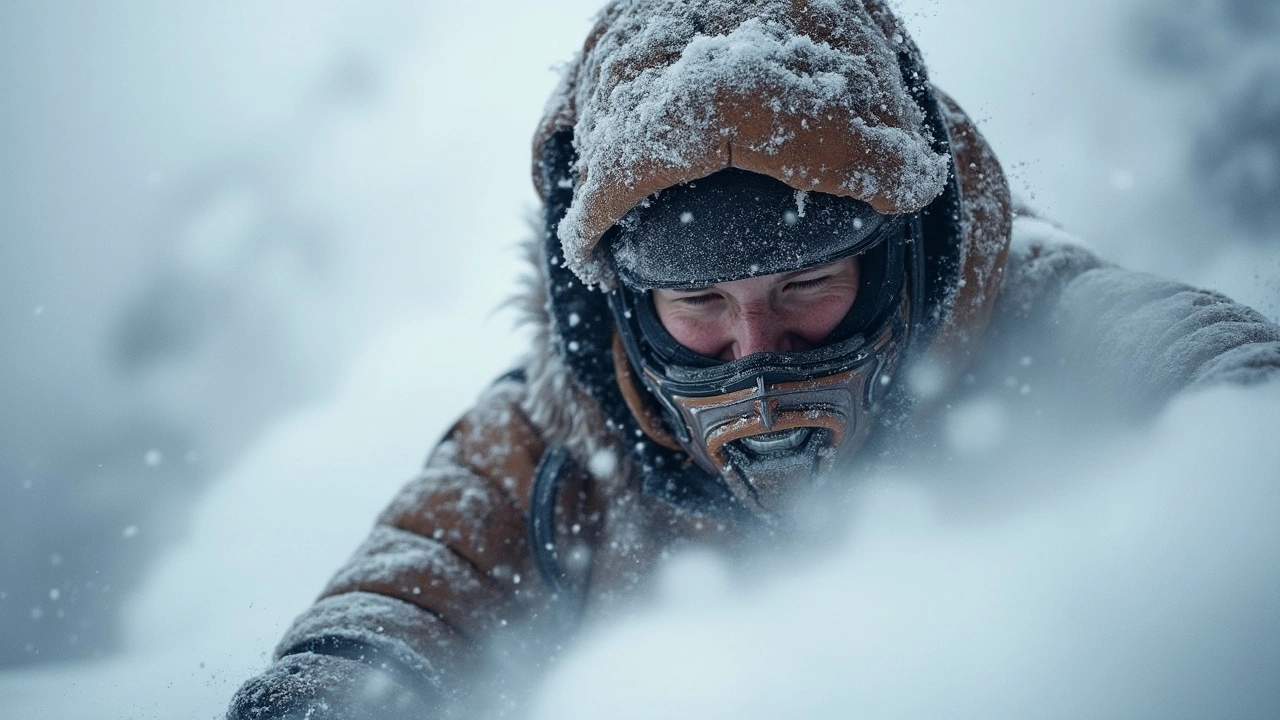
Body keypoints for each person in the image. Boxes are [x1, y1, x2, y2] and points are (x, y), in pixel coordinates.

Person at [227, 1, 1280, 717]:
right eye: (697, 303)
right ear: (621, 306)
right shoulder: (556, 442)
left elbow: (1208, 373)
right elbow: (406, 596)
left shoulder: (1026, 320)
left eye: (804, 288)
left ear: (900, 258)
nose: (753, 350)